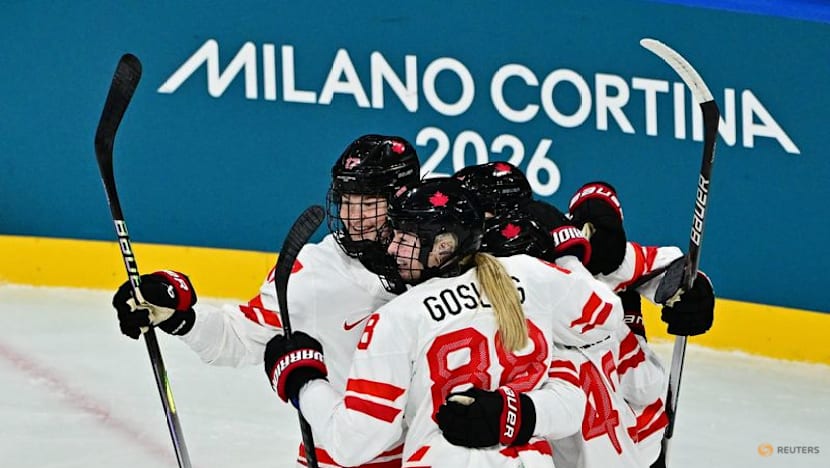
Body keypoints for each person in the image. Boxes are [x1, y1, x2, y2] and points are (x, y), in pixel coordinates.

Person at [263, 177, 653, 467]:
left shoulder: (396, 319)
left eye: (404, 237)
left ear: (444, 246)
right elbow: (605, 318)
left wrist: (302, 381)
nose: (392, 247)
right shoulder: (532, 276)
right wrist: (569, 257)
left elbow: (352, 444)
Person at [111, 134, 420, 468]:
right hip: (344, 458)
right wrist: (180, 316)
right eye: (347, 200)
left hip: (429, 452)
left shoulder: (438, 258)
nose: (351, 217)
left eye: (368, 204)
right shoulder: (314, 273)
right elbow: (238, 338)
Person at [451, 162, 714, 466]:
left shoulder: (571, 248)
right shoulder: (468, 265)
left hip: (631, 437)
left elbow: (662, 265)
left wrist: (693, 290)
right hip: (559, 438)